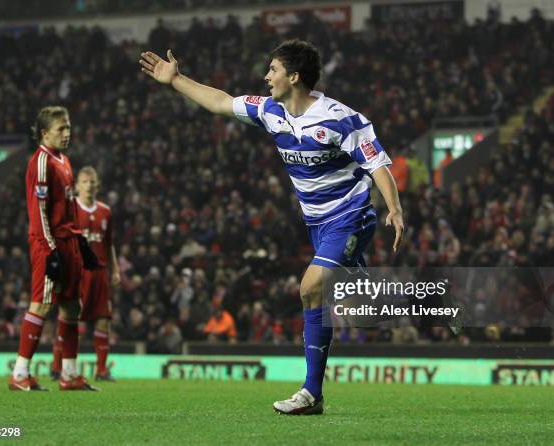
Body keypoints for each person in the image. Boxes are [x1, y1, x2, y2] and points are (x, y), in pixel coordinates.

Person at [139, 39, 404, 414]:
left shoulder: (341, 119)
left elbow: (377, 164)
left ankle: (311, 393)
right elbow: (219, 101)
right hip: (317, 224)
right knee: (339, 296)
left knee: (310, 288)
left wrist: (394, 208)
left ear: (294, 77)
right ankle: (422, 301)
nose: (266, 76)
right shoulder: (269, 111)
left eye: (274, 69)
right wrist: (176, 80)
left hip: (351, 216)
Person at [9, 106, 99, 391]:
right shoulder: (40, 162)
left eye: (69, 127)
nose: (67, 133)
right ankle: (20, 373)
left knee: (73, 307)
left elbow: (68, 205)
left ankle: (69, 375)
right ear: (44, 132)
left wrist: (80, 240)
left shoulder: (65, 161)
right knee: (42, 303)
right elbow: (38, 211)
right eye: (61, 129)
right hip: (48, 243)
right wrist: (50, 250)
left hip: (69, 240)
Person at [51, 166, 121, 381]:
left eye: (92, 182)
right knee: (67, 317)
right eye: (84, 181)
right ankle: (56, 367)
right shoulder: (70, 209)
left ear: (97, 185)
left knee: (103, 320)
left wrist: (115, 270)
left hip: (99, 273)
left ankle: (101, 370)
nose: (89, 185)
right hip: (77, 272)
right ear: (77, 185)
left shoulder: (105, 211)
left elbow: (108, 244)